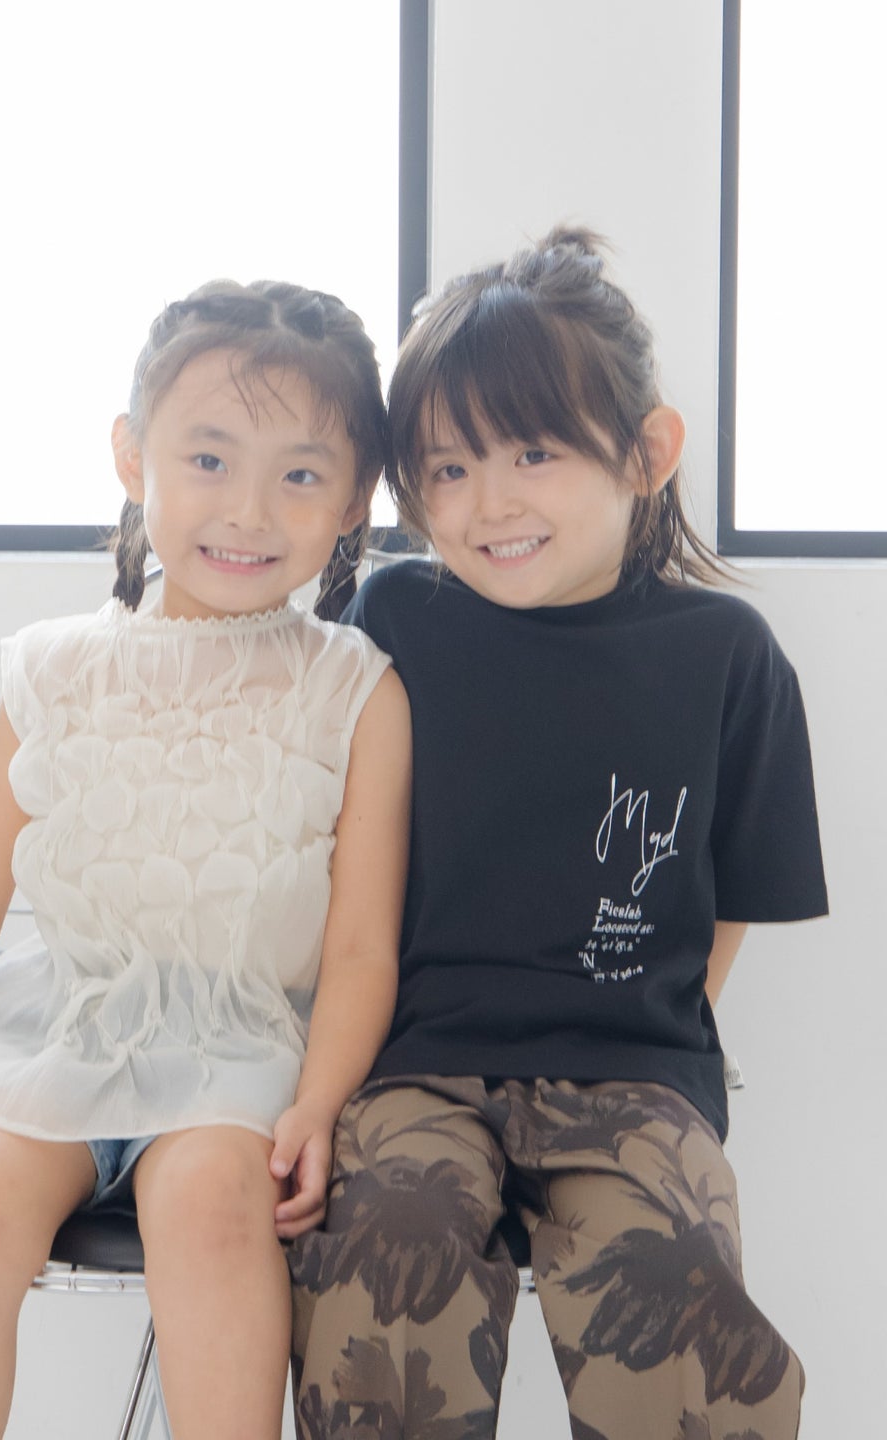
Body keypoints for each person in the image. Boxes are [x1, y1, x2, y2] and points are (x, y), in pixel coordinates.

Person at [290, 228, 828, 1440]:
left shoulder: (726, 656)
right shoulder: (393, 616)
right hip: (416, 1065)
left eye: (534, 451)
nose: (490, 503)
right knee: (389, 1259)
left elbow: (733, 893)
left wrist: (642, 1018)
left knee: (680, 1298)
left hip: (634, 1073)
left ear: (647, 452)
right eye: (447, 468)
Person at [0, 279, 412, 1440]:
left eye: (300, 475)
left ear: (354, 500)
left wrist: (319, 1105)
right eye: (208, 460)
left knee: (212, 1207)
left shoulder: (354, 688)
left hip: (237, 1050)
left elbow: (363, 946)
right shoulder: (54, 670)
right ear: (132, 456)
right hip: (51, 1037)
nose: (248, 510)